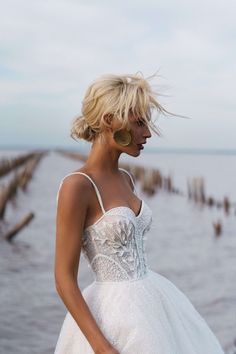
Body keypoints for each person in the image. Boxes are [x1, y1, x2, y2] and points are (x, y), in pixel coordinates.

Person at [54, 73, 225, 353]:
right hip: (113, 317)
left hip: (154, 304)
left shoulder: (126, 179)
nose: (147, 134)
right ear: (109, 120)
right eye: (139, 123)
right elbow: (63, 279)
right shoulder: (77, 186)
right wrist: (101, 347)